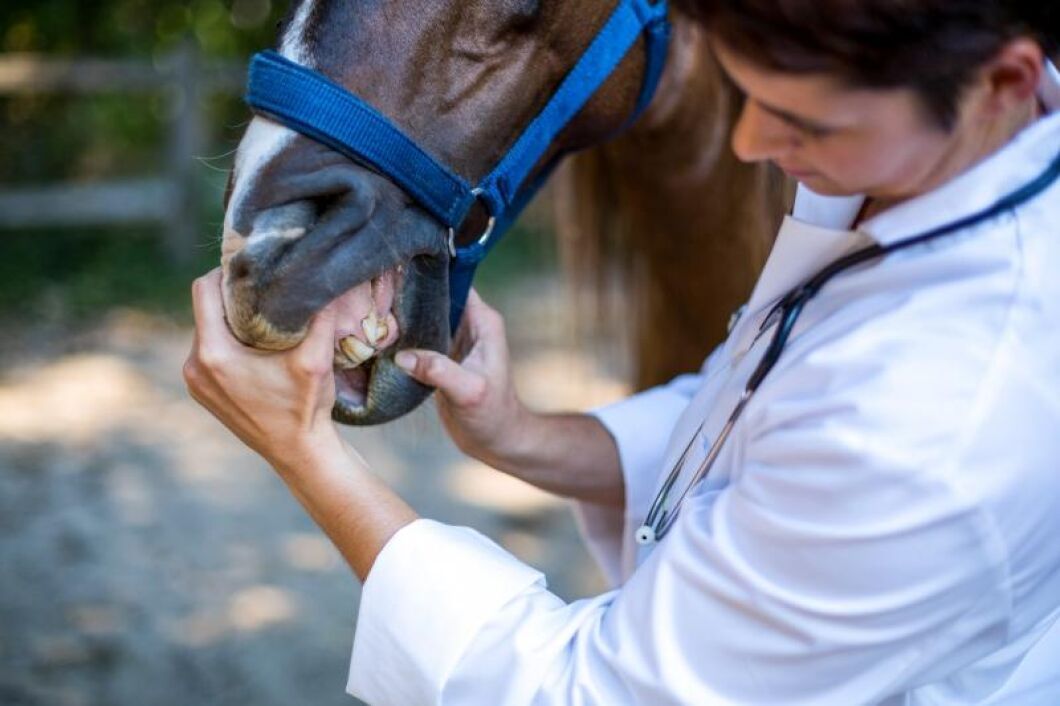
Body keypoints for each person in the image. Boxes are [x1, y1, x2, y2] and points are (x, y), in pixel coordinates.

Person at [184, 1, 1060, 704]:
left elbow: (584, 690)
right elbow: (778, 417)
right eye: (744, 93)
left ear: (1004, 81)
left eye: (802, 121)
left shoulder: (946, 418)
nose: (750, 145)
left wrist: (305, 457)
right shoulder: (936, 172)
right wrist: (522, 436)